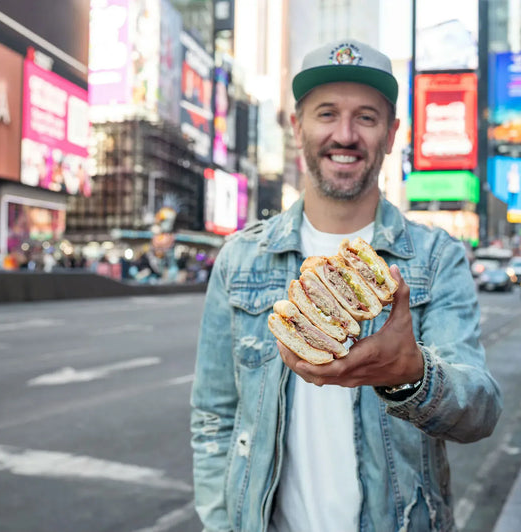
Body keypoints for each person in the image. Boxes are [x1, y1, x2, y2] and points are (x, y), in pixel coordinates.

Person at [190, 38, 502, 532]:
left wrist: (411, 373)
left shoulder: (437, 257)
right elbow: (214, 418)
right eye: (326, 114)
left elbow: (480, 411)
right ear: (298, 128)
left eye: (367, 118)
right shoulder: (239, 259)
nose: (345, 134)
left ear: (392, 133)